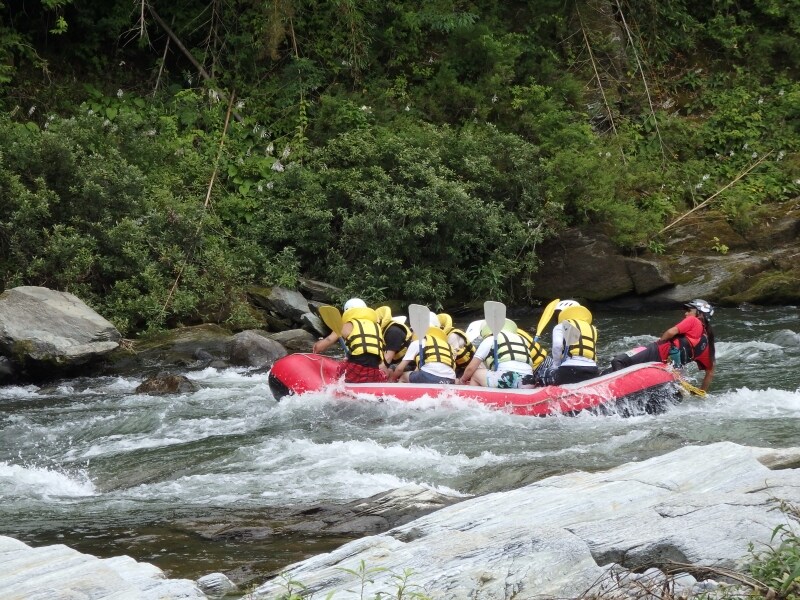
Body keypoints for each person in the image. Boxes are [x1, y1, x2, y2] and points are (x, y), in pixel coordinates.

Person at [609, 299, 716, 391]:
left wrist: (660, 342)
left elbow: (670, 332)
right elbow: (710, 373)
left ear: (700, 314)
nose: (686, 314)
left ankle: (617, 390)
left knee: (618, 361)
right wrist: (702, 391)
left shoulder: (693, 321)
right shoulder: (707, 346)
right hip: (665, 368)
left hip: (656, 352)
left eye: (689, 311)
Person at [312, 298, 387, 383]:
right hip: (374, 372)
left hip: (357, 371)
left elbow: (323, 344)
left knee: (340, 369)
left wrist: (316, 346)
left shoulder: (347, 325)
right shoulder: (376, 326)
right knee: (346, 360)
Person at [458, 318, 534, 388]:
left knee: (476, 373)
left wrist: (463, 380)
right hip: (529, 381)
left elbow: (471, 368)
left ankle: (473, 399)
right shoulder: (522, 340)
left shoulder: (490, 339)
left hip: (508, 380)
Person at [388, 314, 456, 384]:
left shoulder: (418, 342)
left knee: (403, 377)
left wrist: (392, 380)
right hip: (450, 379)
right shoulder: (448, 346)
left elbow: (399, 369)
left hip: (428, 376)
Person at [375, 306, 413, 376]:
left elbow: (388, 360)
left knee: (389, 370)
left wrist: (373, 372)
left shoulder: (393, 332)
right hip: (396, 362)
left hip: (410, 365)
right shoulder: (385, 331)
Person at [437, 312, 476, 378]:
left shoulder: (452, 336)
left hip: (468, 367)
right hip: (460, 368)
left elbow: (453, 356)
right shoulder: (443, 335)